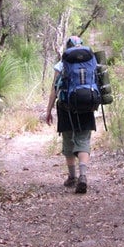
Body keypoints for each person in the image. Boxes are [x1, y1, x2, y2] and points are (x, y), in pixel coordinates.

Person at [44, 36, 97, 194]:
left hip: (66, 107)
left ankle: (72, 177)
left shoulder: (61, 64)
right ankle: (83, 175)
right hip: (87, 105)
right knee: (83, 140)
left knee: (68, 140)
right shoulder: (91, 61)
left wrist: (49, 110)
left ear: (67, 47)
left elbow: (54, 89)